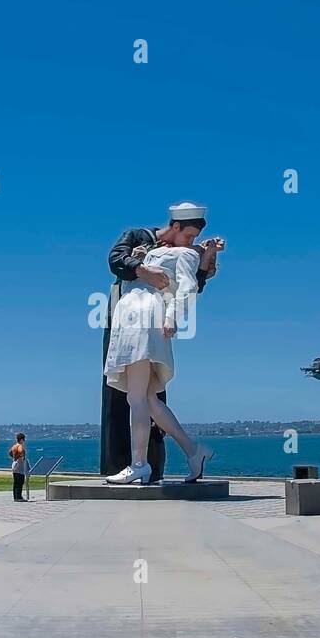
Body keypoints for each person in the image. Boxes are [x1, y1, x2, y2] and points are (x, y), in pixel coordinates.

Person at [100, 202, 223, 480]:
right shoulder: (144, 240)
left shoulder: (184, 253)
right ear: (176, 227)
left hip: (143, 318)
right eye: (189, 236)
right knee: (147, 398)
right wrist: (144, 268)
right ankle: (193, 451)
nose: (193, 243)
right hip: (130, 317)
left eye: (194, 239)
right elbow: (116, 260)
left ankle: (140, 464)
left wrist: (171, 315)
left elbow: (190, 286)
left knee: (137, 397)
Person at [9, 433, 30, 501]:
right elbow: (21, 451)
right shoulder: (20, 446)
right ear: (21, 439)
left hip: (14, 465)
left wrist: (15, 456)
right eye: (24, 439)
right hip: (20, 466)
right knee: (20, 481)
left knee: (15, 482)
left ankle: (15, 496)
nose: (24, 441)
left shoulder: (14, 446)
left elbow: (10, 452)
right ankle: (19, 497)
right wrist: (21, 455)